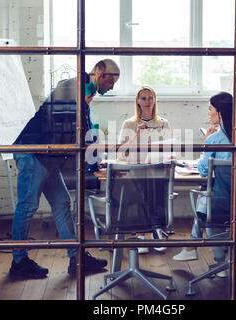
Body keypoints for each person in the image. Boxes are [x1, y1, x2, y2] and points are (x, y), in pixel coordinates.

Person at [9, 59, 120, 278]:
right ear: (97, 72)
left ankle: (75, 258)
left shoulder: (80, 94)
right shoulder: (72, 87)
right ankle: (19, 261)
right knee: (27, 206)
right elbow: (81, 130)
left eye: (115, 81)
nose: (112, 86)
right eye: (110, 79)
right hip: (33, 153)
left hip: (48, 158)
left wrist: (95, 162)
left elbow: (81, 132)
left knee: (62, 202)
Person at [173, 92, 236, 277]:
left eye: (210, 109)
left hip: (223, 202)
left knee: (208, 204)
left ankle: (217, 261)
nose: (208, 113)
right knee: (209, 197)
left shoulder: (215, 139)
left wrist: (205, 144)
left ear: (220, 113)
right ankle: (193, 247)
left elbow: (203, 171)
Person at [117, 86, 172, 253]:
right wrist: (137, 136)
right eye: (143, 98)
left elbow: (169, 149)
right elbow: (121, 154)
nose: (147, 101)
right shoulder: (129, 123)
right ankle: (141, 234)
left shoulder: (163, 123)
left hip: (156, 170)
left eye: (150, 98)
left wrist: (169, 156)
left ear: (155, 100)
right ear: (137, 101)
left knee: (157, 194)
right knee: (139, 194)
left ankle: (156, 232)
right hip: (136, 170)